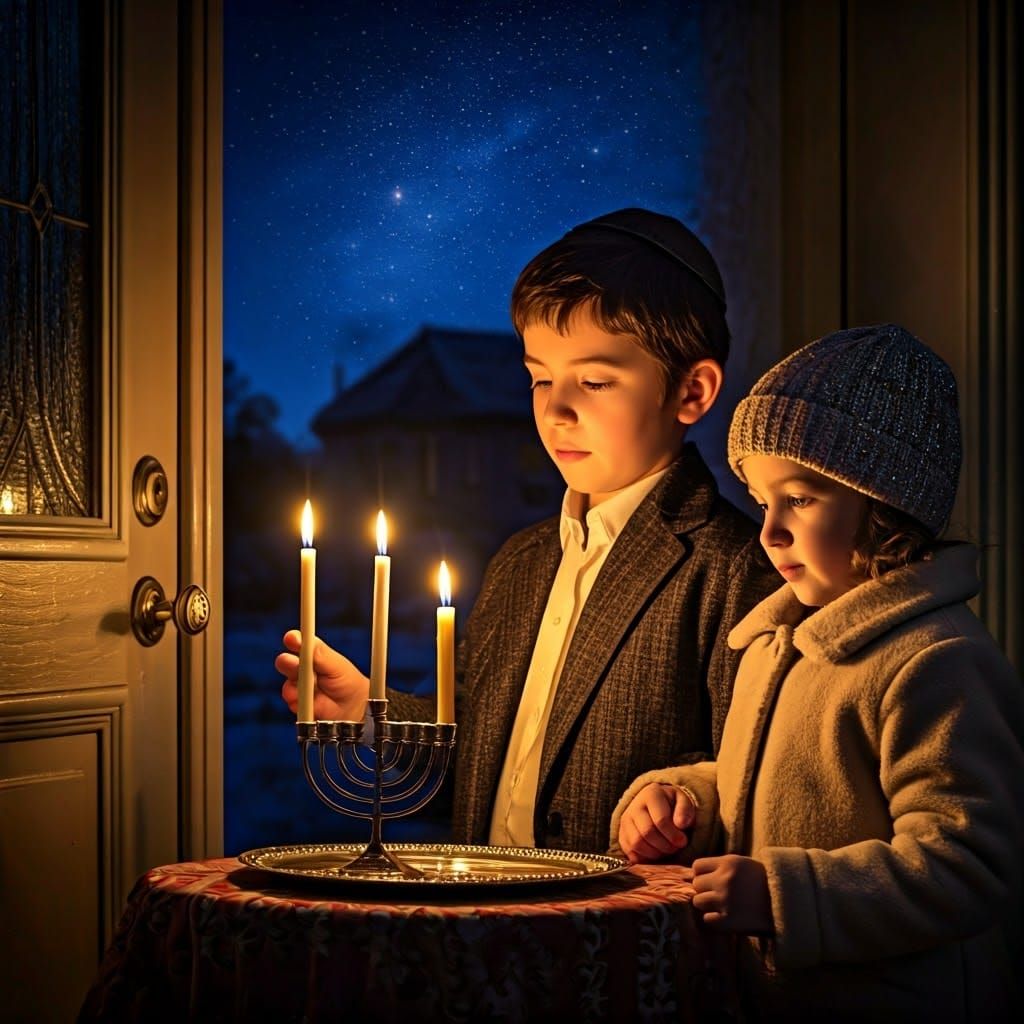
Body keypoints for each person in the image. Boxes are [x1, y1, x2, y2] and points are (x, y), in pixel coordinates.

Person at [278, 207, 777, 854]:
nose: (556, 409)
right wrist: (372, 714)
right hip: (491, 925)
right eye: (540, 377)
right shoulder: (520, 562)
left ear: (692, 391)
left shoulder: (736, 570)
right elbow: (479, 757)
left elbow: (760, 792)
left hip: (622, 942)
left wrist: (687, 804)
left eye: (594, 380)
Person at [612, 323, 1024, 1020]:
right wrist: (684, 802)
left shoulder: (939, 661)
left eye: (799, 499)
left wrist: (782, 897)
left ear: (884, 504)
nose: (769, 530)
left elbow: (966, 865)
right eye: (763, 500)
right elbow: (776, 787)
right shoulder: (778, 643)